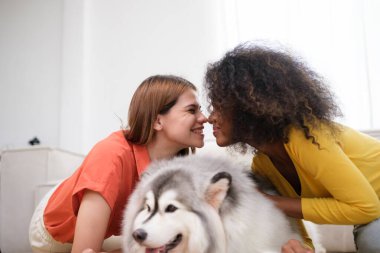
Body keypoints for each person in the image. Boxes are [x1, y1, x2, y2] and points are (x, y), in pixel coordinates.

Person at [205, 43, 380, 252]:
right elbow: (295, 230)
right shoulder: (263, 164)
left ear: (248, 105)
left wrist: (272, 202)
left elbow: (366, 207)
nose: (210, 117)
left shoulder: (306, 138)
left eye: (219, 106)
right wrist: (302, 247)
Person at [29, 75, 208, 253]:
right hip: (53, 232)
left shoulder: (180, 168)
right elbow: (84, 250)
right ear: (157, 121)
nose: (204, 118)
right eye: (192, 110)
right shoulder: (111, 155)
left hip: (105, 218)